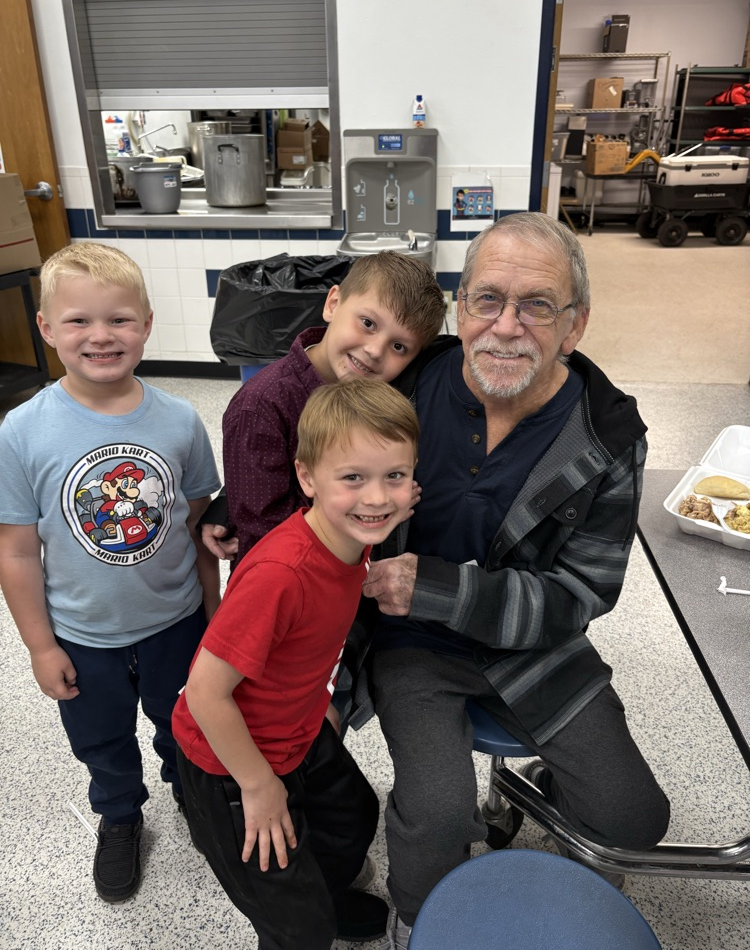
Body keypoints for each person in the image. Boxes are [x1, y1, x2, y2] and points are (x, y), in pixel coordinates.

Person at [357, 212, 671, 949]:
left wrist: (441, 588)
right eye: (488, 299)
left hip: (534, 647)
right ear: (459, 306)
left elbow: (583, 594)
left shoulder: (606, 437)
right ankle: (420, 917)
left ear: (575, 325)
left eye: (537, 305)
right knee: (437, 814)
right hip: (413, 645)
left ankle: (545, 785)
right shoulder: (406, 382)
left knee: (635, 821)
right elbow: (311, 424)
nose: (506, 326)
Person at [0, 242, 221, 904]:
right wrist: (40, 646)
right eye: (79, 321)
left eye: (119, 319)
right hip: (81, 635)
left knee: (185, 724)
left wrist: (215, 617)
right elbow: (16, 551)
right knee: (99, 739)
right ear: (47, 328)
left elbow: (200, 528)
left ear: (147, 324)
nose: (101, 335)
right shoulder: (21, 431)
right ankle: (120, 815)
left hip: (175, 622)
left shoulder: (180, 421)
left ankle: (194, 796)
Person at [172, 379, 420, 950]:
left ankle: (323, 898)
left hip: (296, 732)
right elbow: (206, 692)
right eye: (352, 478)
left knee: (353, 817)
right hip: (229, 759)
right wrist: (258, 785)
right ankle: (306, 921)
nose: (376, 498)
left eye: (394, 476)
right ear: (307, 478)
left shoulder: (354, 532)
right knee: (296, 927)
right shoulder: (281, 576)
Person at [202, 250, 446, 567]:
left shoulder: (388, 394)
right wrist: (380, 514)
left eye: (399, 346)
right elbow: (264, 533)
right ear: (333, 304)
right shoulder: (262, 405)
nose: (375, 351)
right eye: (368, 323)